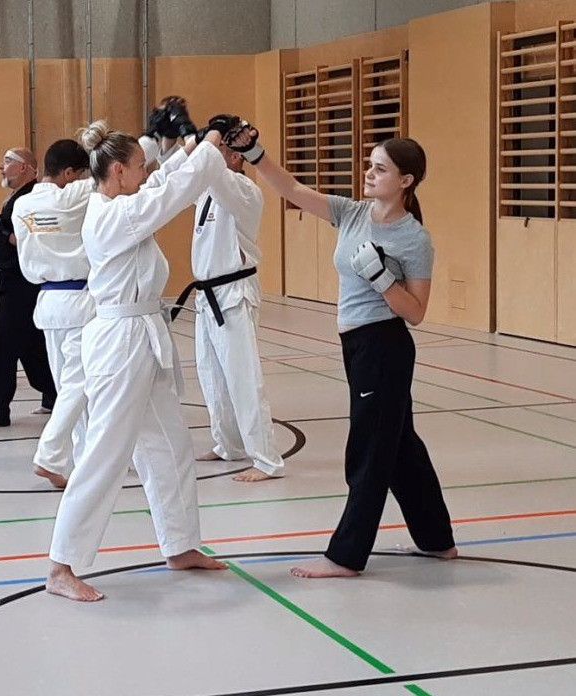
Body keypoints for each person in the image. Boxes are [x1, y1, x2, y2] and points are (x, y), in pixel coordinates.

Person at [226, 123, 456, 577]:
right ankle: (437, 540)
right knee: (401, 446)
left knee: (370, 451)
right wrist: (255, 152)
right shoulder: (352, 213)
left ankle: (346, 556)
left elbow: (416, 311)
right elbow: (291, 187)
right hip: (357, 345)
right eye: (369, 165)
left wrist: (382, 278)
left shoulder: (414, 238)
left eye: (380, 169)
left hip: (383, 347)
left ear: (405, 181)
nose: (368, 174)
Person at [46, 116, 228, 603]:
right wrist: (209, 147)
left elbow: (166, 181)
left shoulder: (124, 203)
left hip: (144, 336)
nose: (147, 174)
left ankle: (181, 544)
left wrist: (190, 145)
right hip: (120, 339)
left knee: (170, 447)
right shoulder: (109, 216)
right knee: (105, 451)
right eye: (140, 168)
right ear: (119, 173)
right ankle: (62, 565)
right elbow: (168, 195)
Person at [172, 114, 284, 483]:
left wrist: (217, 140)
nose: (212, 154)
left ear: (235, 156)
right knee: (212, 377)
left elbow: (211, 172)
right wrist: (188, 134)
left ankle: (266, 459)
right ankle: (229, 445)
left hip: (234, 295)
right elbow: (183, 176)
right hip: (207, 296)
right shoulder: (208, 190)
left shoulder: (244, 192)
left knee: (243, 378)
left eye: (220, 149)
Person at [13, 139, 92, 488]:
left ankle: (82, 458)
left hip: (47, 301)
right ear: (70, 173)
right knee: (79, 384)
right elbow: (113, 170)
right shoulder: (73, 196)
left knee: (68, 389)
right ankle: (49, 454)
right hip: (77, 299)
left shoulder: (21, 205)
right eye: (79, 175)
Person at [0, 148, 57, 429]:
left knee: (1, 345)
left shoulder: (32, 198)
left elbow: (26, 239)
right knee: (31, 346)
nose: (1, 168)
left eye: (8, 162)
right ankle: (54, 395)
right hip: (13, 280)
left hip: (22, 284)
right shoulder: (18, 197)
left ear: (27, 168)